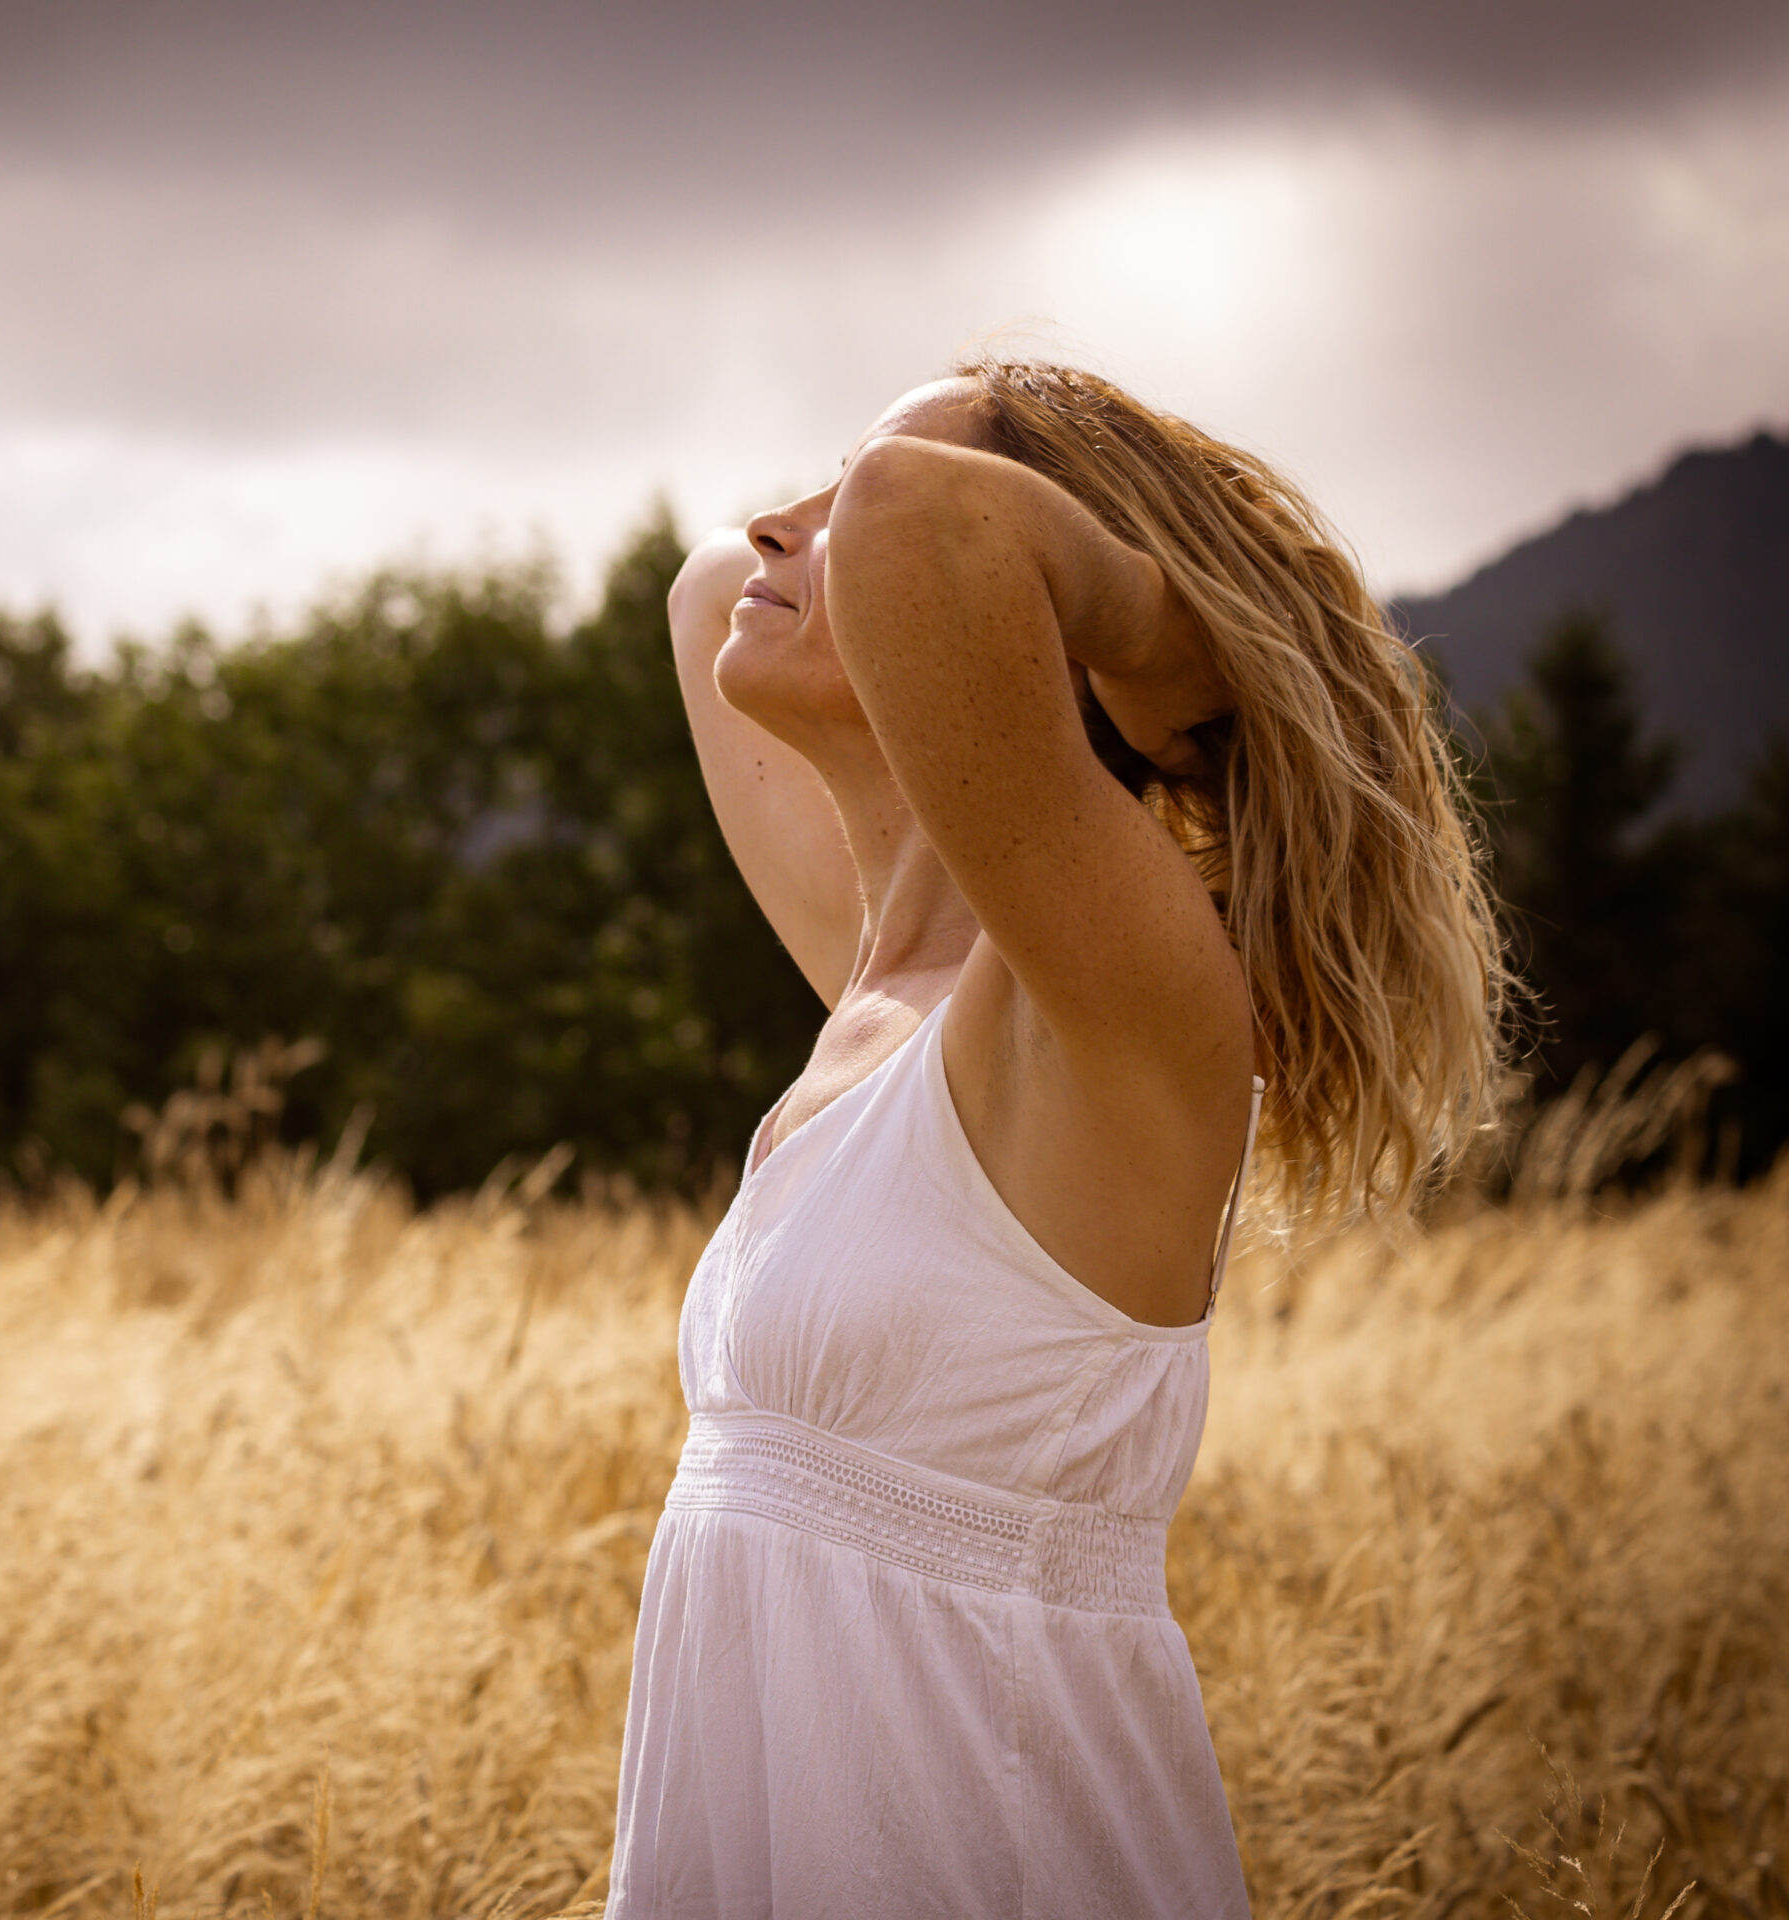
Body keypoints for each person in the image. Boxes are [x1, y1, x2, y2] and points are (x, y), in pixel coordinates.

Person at [606, 359, 1505, 1918]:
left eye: (850, 503)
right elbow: (707, 597)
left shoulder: (1105, 1006)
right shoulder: (888, 991)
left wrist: (1184, 638)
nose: (780, 526)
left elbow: (922, 520)